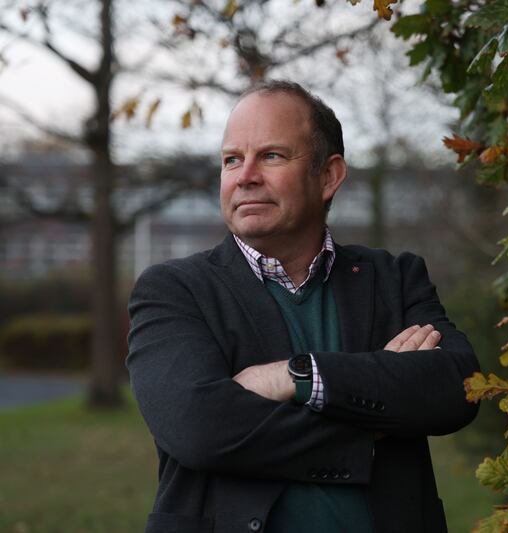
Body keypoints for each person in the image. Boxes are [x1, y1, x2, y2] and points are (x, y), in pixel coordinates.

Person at [126, 80, 480, 533]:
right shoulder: (173, 291)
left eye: (271, 156)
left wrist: (298, 377)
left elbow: (460, 387)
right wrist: (371, 423)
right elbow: (201, 430)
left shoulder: (393, 278)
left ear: (328, 176)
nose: (245, 175)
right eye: (232, 159)